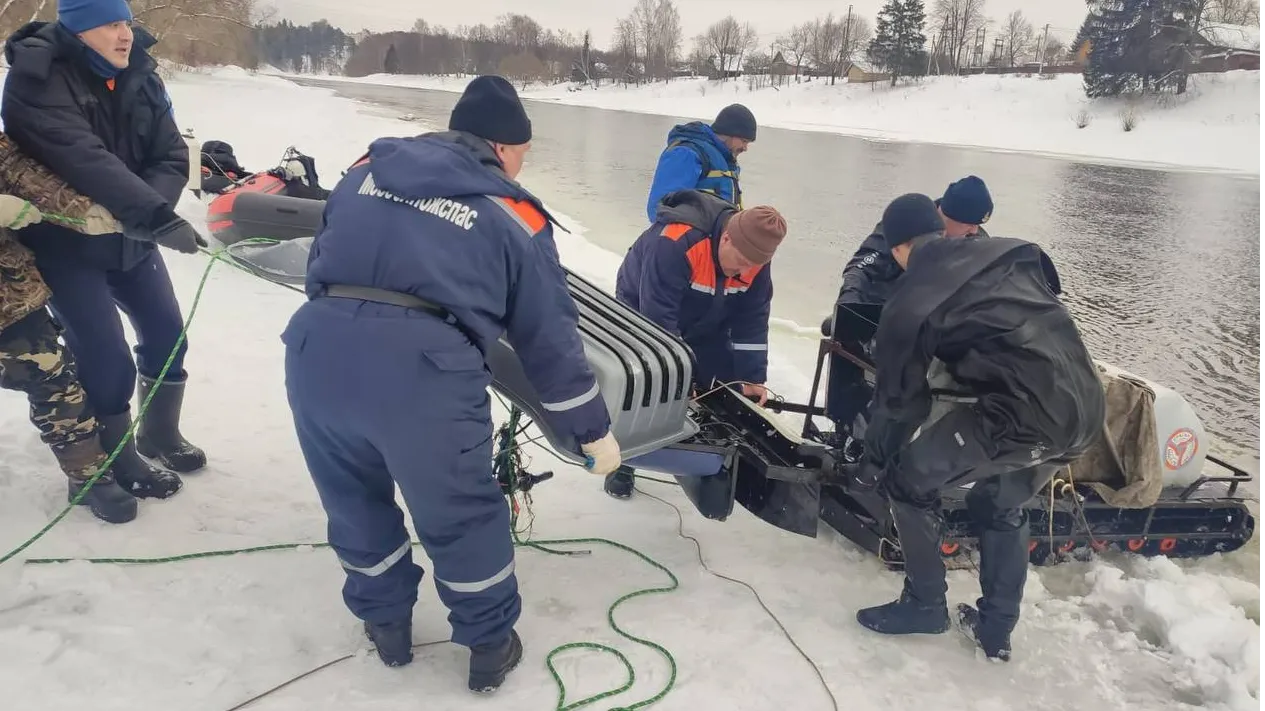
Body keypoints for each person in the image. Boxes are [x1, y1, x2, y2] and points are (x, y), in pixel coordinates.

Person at [281, 75, 622, 694]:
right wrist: (591, 430)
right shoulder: (514, 213)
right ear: (504, 147)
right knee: (460, 512)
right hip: (423, 372)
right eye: (523, 153)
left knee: (352, 498)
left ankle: (386, 627)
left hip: (315, 350)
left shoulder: (365, 170)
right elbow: (549, 339)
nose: (522, 166)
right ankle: (489, 644)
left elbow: (322, 258)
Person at [843, 193, 1104, 662]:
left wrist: (872, 465)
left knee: (908, 480)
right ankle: (995, 630)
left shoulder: (911, 300)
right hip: (1087, 407)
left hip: (1022, 416)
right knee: (998, 500)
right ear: (941, 230)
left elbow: (901, 407)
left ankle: (924, 605)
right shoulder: (1006, 250)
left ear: (898, 247)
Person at [3, 1, 208, 501]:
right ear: (77, 29)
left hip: (131, 237)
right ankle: (115, 457)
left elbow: (170, 153)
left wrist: (149, 212)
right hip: (66, 242)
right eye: (111, 25)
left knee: (166, 335)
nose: (126, 36)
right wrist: (152, 215)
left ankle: (159, 432)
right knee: (106, 356)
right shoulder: (35, 79)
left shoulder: (142, 73)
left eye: (126, 23)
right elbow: (81, 156)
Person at [603, 189, 787, 500]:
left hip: (707, 317)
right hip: (644, 309)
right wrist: (679, 379)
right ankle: (624, 461)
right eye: (740, 262)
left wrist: (752, 378)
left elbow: (752, 320)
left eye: (751, 267)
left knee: (723, 383)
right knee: (647, 383)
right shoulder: (676, 242)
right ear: (726, 238)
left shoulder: (755, 261)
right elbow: (658, 324)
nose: (742, 272)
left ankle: (709, 457)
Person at [0, 192, 138, 524]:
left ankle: (87, 476)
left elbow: (24, 172)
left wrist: (90, 209)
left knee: (53, 377)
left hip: (10, 295)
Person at [823, 175, 996, 439]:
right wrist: (850, 304)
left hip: (929, 330)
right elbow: (861, 266)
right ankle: (852, 433)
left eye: (978, 225)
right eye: (968, 224)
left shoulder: (975, 244)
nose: (974, 231)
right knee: (863, 382)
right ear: (944, 214)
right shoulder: (907, 221)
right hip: (883, 314)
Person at [644, 104, 757, 222]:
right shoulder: (686, 153)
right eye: (744, 141)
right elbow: (660, 210)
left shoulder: (726, 161)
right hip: (690, 239)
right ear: (729, 133)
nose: (745, 148)